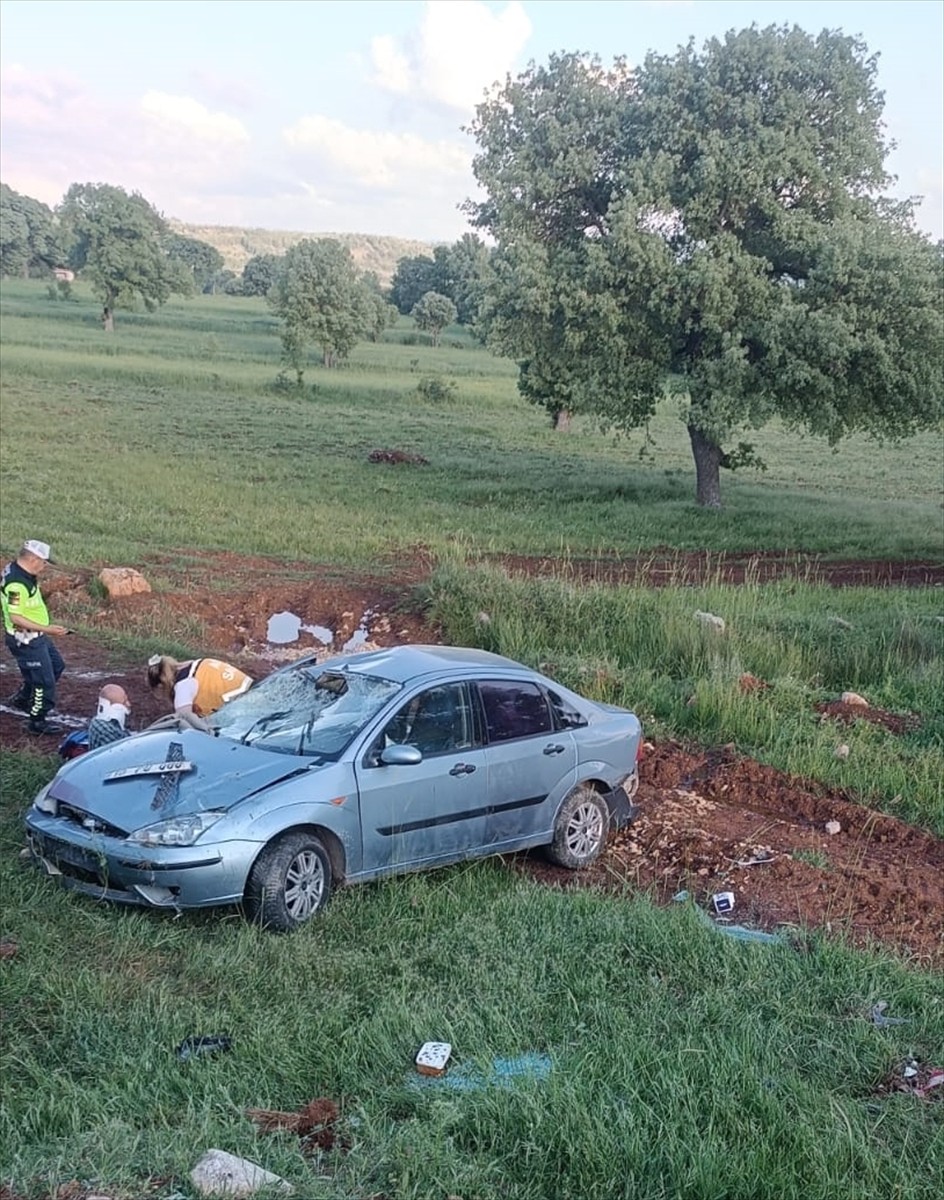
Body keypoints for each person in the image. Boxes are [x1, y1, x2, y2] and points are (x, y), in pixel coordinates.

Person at [1, 539, 69, 735]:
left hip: (35, 636)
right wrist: (48, 629)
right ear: (33, 559)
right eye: (43, 562)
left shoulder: (21, 571)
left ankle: (23, 698)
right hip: (26, 639)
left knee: (56, 666)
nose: (44, 566)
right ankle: (36, 722)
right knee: (44, 682)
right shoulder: (17, 584)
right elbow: (15, 617)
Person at [147, 654, 252, 733]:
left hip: (244, 709)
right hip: (255, 691)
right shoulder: (201, 663)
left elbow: (185, 721)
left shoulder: (183, 687)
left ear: (161, 685)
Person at [88, 683, 133, 750]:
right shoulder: (106, 731)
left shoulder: (98, 721)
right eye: (124, 701)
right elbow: (125, 751)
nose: (129, 704)